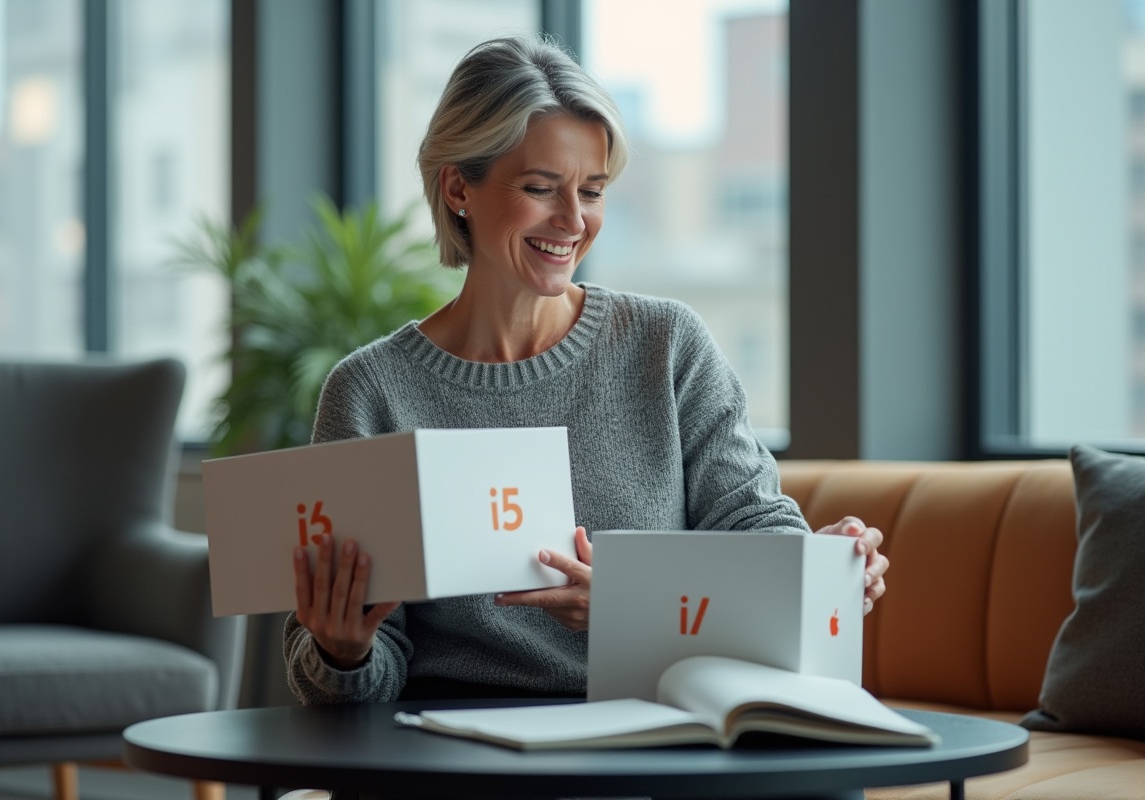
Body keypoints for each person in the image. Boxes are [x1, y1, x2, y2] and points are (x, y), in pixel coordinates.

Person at [284, 35, 888, 705]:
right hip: (452, 739)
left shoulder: (666, 346)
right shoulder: (371, 393)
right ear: (458, 187)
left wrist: (816, 569)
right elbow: (347, 683)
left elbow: (756, 531)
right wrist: (344, 653)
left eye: (592, 191)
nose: (573, 221)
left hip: (649, 723)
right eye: (541, 188)